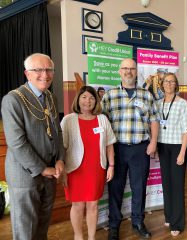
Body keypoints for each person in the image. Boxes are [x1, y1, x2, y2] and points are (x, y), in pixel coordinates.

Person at [1, 53, 65, 239]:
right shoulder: (13, 99)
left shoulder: (51, 97)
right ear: (27, 73)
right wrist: (43, 168)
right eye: (38, 70)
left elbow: (57, 132)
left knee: (42, 226)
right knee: (25, 230)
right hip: (25, 175)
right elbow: (17, 143)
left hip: (50, 173)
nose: (44, 74)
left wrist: (60, 159)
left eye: (49, 70)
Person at [102, 58, 160, 240]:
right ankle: (113, 225)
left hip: (140, 149)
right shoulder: (109, 95)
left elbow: (154, 120)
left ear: (137, 72)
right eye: (125, 68)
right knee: (115, 188)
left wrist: (154, 142)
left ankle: (138, 222)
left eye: (132, 68)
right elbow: (102, 123)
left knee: (139, 187)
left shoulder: (146, 95)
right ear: (119, 72)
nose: (128, 71)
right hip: (117, 149)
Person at [60, 86, 116, 240]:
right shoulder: (68, 120)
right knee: (77, 205)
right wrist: (63, 170)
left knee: (93, 205)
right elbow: (61, 148)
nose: (87, 101)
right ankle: (78, 236)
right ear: (78, 99)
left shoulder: (102, 119)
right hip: (74, 170)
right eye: (84, 97)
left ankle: (91, 237)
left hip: (96, 169)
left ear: (96, 101)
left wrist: (111, 166)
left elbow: (109, 144)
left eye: (91, 98)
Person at [157, 73, 187, 237]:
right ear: (162, 84)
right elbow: (155, 127)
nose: (169, 84)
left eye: (172, 81)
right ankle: (169, 216)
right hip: (162, 147)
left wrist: (183, 152)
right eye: (166, 81)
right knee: (166, 184)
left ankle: (177, 222)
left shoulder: (182, 103)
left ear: (176, 85)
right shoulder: (157, 104)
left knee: (177, 186)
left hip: (177, 147)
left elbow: (186, 130)